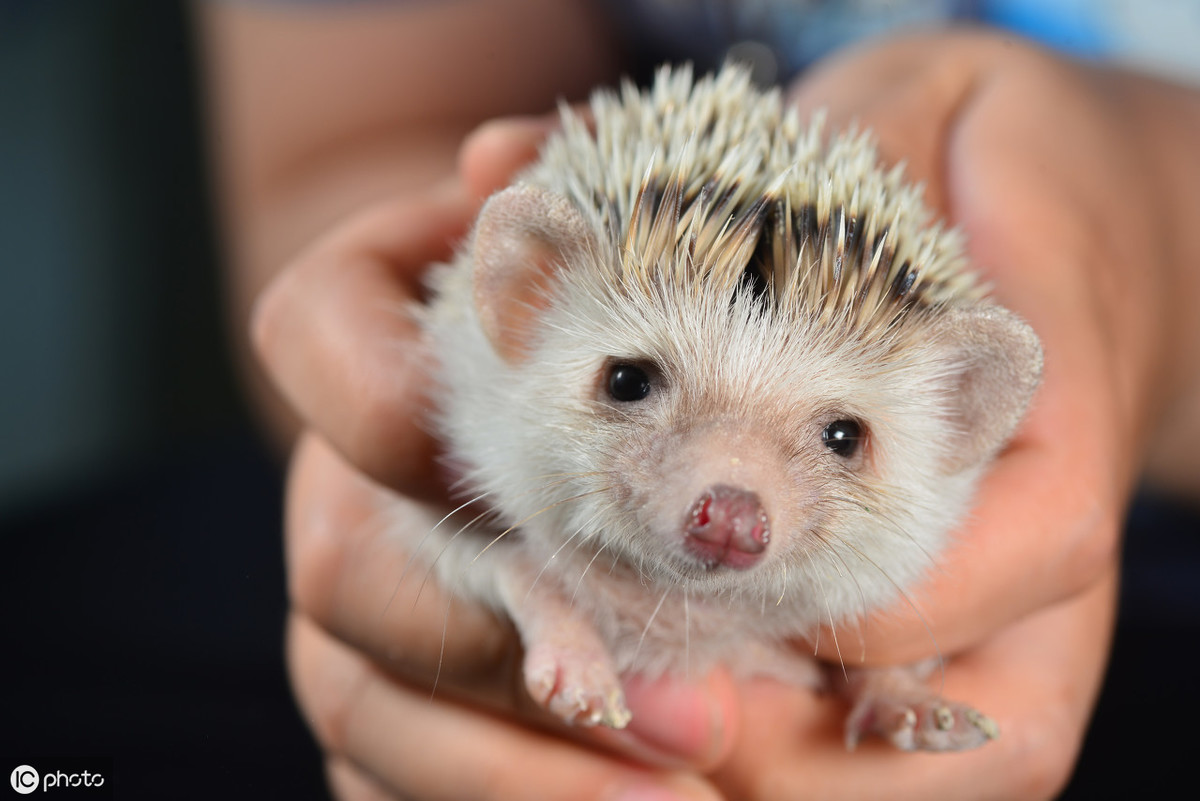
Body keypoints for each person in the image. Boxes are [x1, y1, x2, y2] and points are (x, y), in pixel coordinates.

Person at [199, 2, 1200, 798]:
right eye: (630, 383)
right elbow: (339, 155)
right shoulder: (488, 368)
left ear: (963, 420)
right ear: (524, 297)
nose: (732, 500)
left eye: (842, 437)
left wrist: (1158, 244)